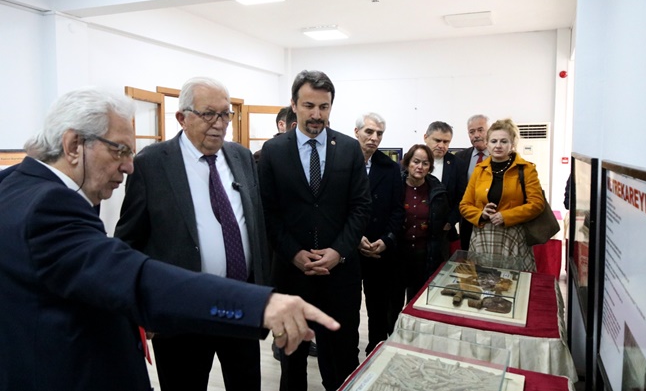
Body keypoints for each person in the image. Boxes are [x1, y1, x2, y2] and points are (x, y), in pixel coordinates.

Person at [0, 88, 340, 391]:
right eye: (120, 151)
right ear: (74, 145)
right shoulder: (48, 207)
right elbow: (133, 275)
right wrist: (259, 304)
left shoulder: (13, 184)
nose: (128, 167)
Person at [114, 77, 270, 391]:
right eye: (208, 114)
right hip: (181, 311)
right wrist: (139, 304)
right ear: (182, 118)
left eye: (225, 114)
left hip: (239, 302)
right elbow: (128, 241)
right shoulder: (151, 164)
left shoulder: (241, 157)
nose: (219, 124)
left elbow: (256, 227)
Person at [258, 70, 372, 391]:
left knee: (342, 361)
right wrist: (294, 254)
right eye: (309, 106)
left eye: (324, 107)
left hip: (340, 277)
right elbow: (268, 212)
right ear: (294, 105)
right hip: (291, 276)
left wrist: (338, 252)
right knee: (292, 361)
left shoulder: (349, 149)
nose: (317, 115)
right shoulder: (273, 151)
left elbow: (361, 207)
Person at [459, 118, 545, 271]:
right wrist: (481, 214)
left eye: (504, 141)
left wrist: (506, 216)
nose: (498, 145)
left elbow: (537, 204)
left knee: (511, 280)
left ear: (512, 144)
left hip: (513, 235)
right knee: (482, 279)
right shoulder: (479, 170)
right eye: (494, 141)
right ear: (487, 144)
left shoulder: (526, 169)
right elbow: (464, 205)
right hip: (483, 235)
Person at [354, 112, 404, 356]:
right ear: (357, 132)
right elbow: (335, 208)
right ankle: (347, 352)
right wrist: (355, 237)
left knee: (378, 307)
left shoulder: (390, 167)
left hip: (379, 249)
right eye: (369, 132)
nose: (374, 138)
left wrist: (386, 240)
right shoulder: (342, 163)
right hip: (349, 248)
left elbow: (397, 210)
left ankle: (375, 350)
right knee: (349, 306)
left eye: (379, 133)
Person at [398, 144, 450, 302]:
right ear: (407, 163)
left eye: (425, 163)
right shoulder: (396, 185)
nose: (420, 167)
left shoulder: (437, 190)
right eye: (416, 161)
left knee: (417, 302)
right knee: (392, 305)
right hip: (398, 255)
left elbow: (442, 222)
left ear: (430, 167)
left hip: (425, 256)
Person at [423, 121, 463, 258]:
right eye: (437, 140)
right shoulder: (413, 160)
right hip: (415, 228)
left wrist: (450, 222)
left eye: (446, 142)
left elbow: (461, 197)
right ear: (425, 137)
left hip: (443, 231)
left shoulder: (457, 164)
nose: (441, 145)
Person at [454, 114, 491, 250]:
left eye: (480, 130)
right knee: (467, 254)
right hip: (467, 219)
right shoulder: (460, 157)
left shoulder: (499, 156)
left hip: (493, 218)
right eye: (472, 132)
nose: (476, 135)